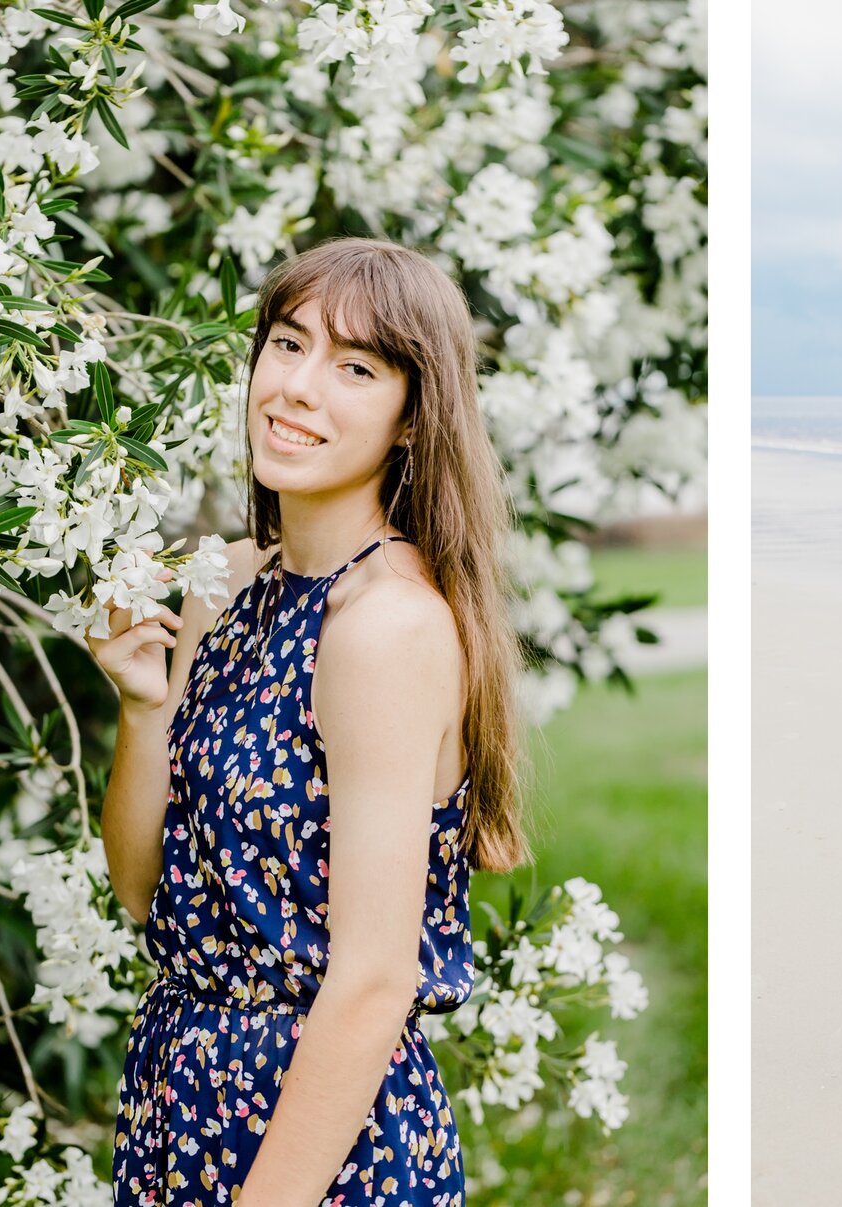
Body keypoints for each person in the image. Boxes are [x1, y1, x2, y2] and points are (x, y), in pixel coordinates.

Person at [93, 237, 524, 1203]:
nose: (297, 387)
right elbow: (144, 892)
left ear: (414, 419)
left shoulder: (387, 630)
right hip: (182, 1095)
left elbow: (372, 981)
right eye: (287, 345)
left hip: (320, 1137)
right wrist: (142, 709)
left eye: (355, 368)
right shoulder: (228, 583)